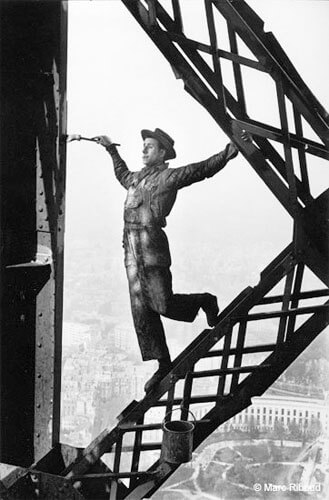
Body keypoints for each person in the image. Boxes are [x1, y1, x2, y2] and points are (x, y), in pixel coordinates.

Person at [94, 128, 248, 392]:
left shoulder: (169, 177)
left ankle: (203, 300)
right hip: (131, 251)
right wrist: (110, 149)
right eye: (143, 145)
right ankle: (163, 363)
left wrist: (227, 154)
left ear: (163, 153)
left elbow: (200, 170)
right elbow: (121, 173)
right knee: (142, 311)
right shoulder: (135, 179)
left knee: (162, 304)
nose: (144, 150)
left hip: (152, 249)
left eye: (150, 146)